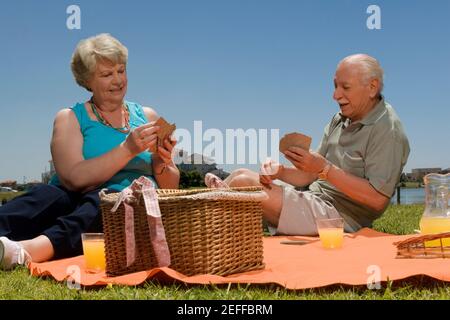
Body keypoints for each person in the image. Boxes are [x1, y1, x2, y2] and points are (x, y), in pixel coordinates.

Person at [0, 34, 180, 270]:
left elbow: (171, 187)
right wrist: (128, 148)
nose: (118, 80)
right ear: (87, 81)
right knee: (48, 196)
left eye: (121, 70)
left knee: (109, 200)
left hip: (121, 204)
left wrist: (161, 163)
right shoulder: (70, 117)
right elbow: (73, 179)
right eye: (106, 74)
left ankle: (26, 252)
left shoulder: (148, 116)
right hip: (72, 195)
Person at [213, 54, 410, 235]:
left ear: (372, 87)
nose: (336, 95)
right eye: (335, 86)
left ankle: (204, 236)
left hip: (338, 217)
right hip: (313, 198)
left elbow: (377, 200)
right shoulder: (340, 119)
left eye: (345, 87)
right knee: (240, 174)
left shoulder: (388, 129)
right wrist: (279, 172)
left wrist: (325, 169)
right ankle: (205, 228)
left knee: (243, 184)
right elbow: (309, 175)